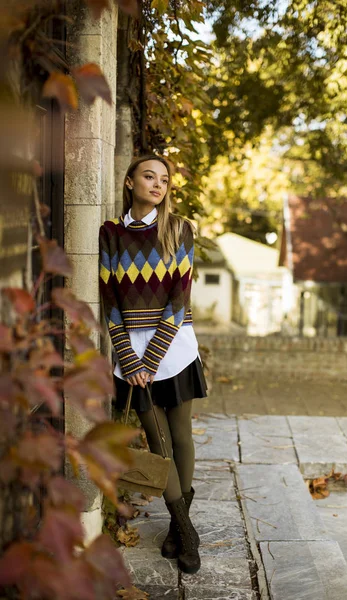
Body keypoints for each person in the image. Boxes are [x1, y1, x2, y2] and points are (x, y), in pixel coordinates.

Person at [99, 154, 207, 575]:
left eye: (164, 179)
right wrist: (129, 359)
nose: (158, 185)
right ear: (129, 182)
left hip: (174, 347)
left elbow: (179, 302)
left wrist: (153, 357)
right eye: (149, 176)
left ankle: (180, 532)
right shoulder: (111, 234)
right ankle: (185, 529)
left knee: (181, 439)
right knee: (159, 446)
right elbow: (109, 302)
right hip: (131, 354)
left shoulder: (178, 230)